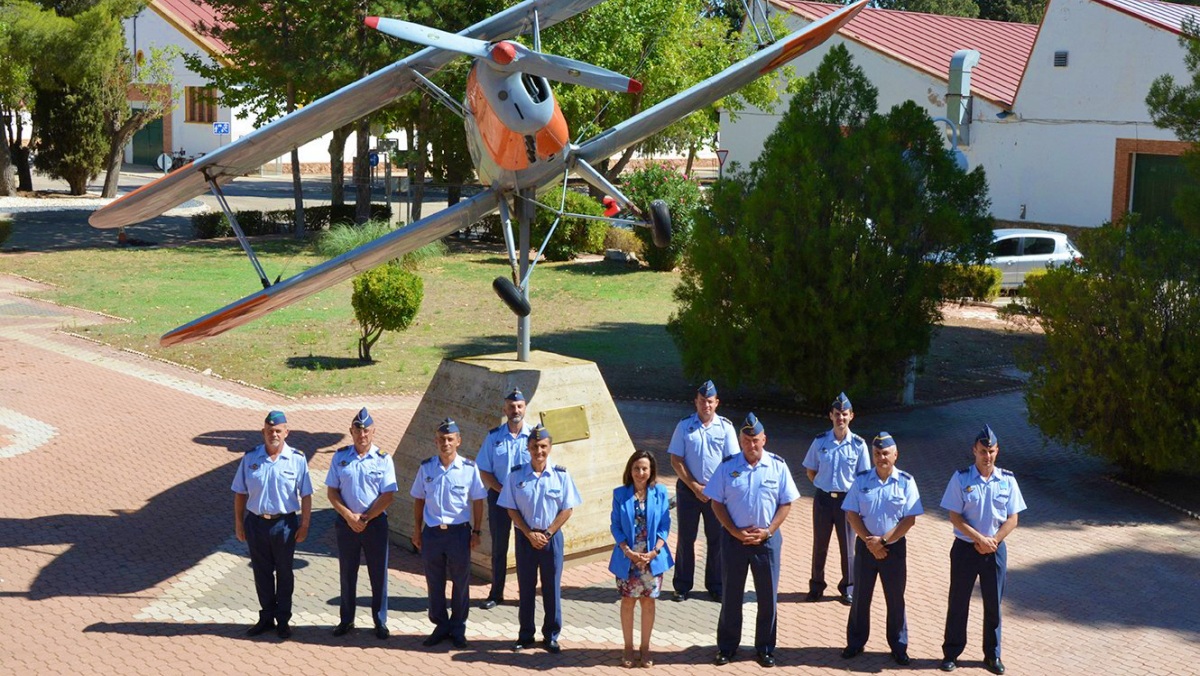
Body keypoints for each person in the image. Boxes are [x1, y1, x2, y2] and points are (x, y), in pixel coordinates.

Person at [705, 413, 800, 668]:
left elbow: (786, 503)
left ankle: (766, 648)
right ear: (740, 440)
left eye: (756, 440)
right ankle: (727, 647)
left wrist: (769, 530)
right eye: (746, 440)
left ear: (764, 439)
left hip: (766, 541)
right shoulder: (727, 467)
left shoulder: (777, 466)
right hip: (734, 540)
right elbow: (716, 502)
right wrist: (733, 531)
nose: (751, 445)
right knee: (731, 595)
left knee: (767, 597)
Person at [939, 425, 1027, 675]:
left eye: (991, 451)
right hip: (965, 549)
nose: (987, 456)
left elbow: (1013, 519)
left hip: (995, 550)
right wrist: (978, 538)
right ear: (974, 451)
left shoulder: (1007, 480)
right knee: (958, 601)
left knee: (993, 604)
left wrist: (993, 541)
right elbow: (954, 516)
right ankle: (951, 653)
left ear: (997, 451)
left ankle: (992, 655)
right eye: (982, 451)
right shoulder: (961, 478)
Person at [840, 432, 923, 666]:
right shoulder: (862, 480)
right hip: (866, 547)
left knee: (895, 599)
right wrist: (870, 541)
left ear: (895, 455)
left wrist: (883, 541)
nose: (881, 457)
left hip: (894, 550)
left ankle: (898, 646)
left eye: (885, 453)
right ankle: (855, 642)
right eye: (877, 454)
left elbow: (910, 519)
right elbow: (851, 513)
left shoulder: (906, 481)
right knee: (860, 598)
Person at [498, 424, 582, 654]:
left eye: (543, 446)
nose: (539, 451)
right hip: (525, 538)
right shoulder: (515, 475)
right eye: (534, 446)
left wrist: (547, 533)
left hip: (551, 538)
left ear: (550, 447)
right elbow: (510, 509)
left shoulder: (561, 475)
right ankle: (525, 635)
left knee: (551, 588)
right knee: (525, 587)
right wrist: (528, 533)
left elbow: (567, 509)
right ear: (528, 448)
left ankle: (551, 635)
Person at [231, 410, 313, 639]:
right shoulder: (250, 458)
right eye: (269, 431)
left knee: (285, 573)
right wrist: (239, 523)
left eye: (278, 430)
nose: (273, 434)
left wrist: (305, 524)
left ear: (286, 432)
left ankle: (283, 620)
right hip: (256, 523)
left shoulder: (297, 459)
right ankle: (266, 617)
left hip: (284, 525)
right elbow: (239, 492)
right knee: (262, 572)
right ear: (263, 432)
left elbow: (306, 494)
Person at [410, 418, 487, 649]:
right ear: (436, 441)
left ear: (458, 441)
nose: (446, 443)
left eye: (450, 439)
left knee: (461, 582)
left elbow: (478, 501)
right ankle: (440, 625)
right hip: (433, 533)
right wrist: (417, 531)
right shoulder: (426, 468)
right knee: (434, 581)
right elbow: (419, 500)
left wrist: (476, 531)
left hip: (458, 534)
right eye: (442, 439)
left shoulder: (469, 469)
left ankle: (458, 626)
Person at [326, 407, 397, 639]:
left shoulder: (384, 459)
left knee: (378, 574)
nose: (362, 434)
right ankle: (346, 620)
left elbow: (388, 495)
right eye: (358, 430)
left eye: (366, 430)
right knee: (347, 572)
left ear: (373, 432)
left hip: (374, 524)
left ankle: (380, 621)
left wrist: (366, 517)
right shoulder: (340, 457)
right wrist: (348, 516)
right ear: (351, 431)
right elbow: (332, 492)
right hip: (346, 524)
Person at [667, 380, 738, 602]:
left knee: (716, 540)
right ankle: (682, 585)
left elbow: (732, 462)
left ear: (716, 403)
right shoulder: (684, 426)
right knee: (686, 539)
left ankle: (716, 586)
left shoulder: (726, 427)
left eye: (709, 402)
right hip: (689, 491)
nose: (705, 405)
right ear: (695, 402)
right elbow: (675, 460)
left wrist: (713, 488)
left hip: (716, 494)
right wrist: (695, 486)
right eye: (701, 401)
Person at [802, 392, 870, 606]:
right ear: (830, 415)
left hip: (847, 503)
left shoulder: (859, 445)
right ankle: (816, 586)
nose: (840, 418)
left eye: (844, 414)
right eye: (837, 414)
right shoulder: (820, 441)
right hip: (823, 499)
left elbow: (864, 478)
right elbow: (810, 470)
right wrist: (823, 485)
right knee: (819, 545)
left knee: (847, 547)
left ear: (851, 416)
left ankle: (847, 588)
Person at [609, 450, 674, 668]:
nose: (640, 472)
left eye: (645, 468)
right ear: (630, 470)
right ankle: (628, 647)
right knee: (628, 602)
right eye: (636, 468)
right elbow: (615, 526)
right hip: (628, 557)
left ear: (651, 471)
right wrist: (628, 551)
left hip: (651, 558)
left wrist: (655, 551)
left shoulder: (661, 492)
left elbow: (665, 525)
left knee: (648, 602)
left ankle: (645, 648)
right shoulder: (620, 494)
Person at [476, 387, 534, 609]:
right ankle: (496, 593)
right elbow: (484, 469)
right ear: (505, 409)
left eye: (519, 406)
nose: (515, 410)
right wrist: (501, 489)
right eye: (511, 407)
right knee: (499, 547)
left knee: (525, 549)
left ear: (525, 408)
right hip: (499, 498)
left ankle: (525, 594)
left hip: (525, 501)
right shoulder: (493, 437)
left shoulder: (535, 436)